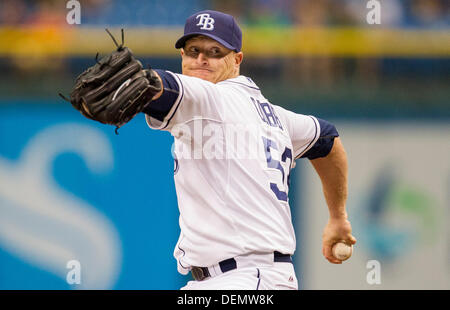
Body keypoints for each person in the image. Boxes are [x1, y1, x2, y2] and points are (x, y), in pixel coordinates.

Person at [67, 9, 356, 290]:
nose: (202, 59)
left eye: (215, 52)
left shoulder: (210, 97)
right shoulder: (278, 118)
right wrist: (337, 217)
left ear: (237, 59)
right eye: (193, 51)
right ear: (182, 56)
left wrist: (147, 82)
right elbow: (328, 140)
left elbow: (162, 86)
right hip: (249, 278)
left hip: (246, 280)